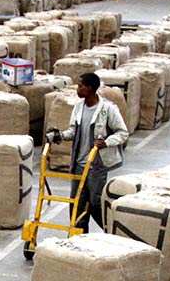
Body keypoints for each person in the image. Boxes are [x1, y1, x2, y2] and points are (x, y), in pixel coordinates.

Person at [45, 72, 128, 233]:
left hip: (96, 165)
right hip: (78, 164)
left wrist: (106, 142)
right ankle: (78, 235)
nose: (78, 89)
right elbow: (73, 131)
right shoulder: (78, 107)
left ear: (90, 88)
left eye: (81, 86)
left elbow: (122, 133)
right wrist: (59, 136)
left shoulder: (107, 109)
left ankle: (111, 230)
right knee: (77, 202)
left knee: (95, 202)